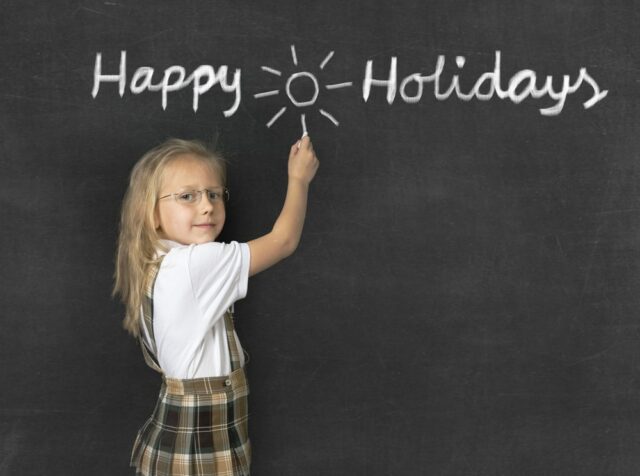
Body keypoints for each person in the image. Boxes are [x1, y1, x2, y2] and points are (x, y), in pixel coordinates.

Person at [112, 135, 319, 475]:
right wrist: (299, 179)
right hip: (198, 439)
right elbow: (283, 241)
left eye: (214, 194)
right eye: (187, 196)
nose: (207, 205)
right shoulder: (195, 264)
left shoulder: (159, 259)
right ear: (152, 214)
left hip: (188, 428)